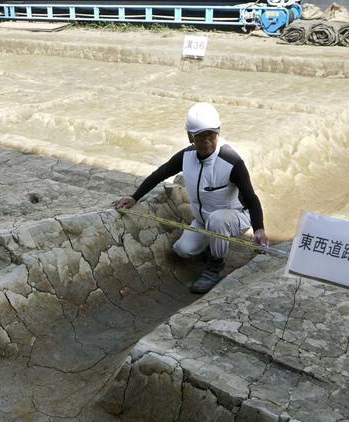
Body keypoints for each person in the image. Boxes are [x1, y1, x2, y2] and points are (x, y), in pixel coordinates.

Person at [112, 102, 268, 294]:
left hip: (234, 217)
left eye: (211, 135)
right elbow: (160, 173)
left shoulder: (231, 161)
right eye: (200, 136)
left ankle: (214, 268)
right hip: (203, 221)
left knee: (218, 220)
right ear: (190, 137)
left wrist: (259, 229)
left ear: (217, 133)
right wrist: (135, 197)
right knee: (182, 250)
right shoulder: (186, 156)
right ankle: (212, 247)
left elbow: (251, 198)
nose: (207, 141)